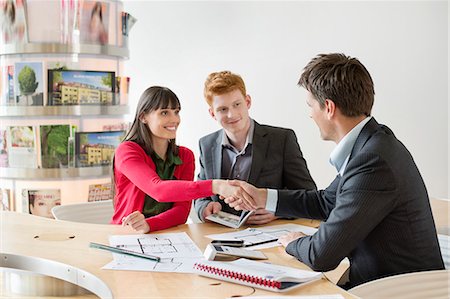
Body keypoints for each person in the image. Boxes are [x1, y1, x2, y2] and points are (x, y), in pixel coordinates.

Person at [225, 53, 444, 288]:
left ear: (328, 107)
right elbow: (327, 202)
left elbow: (322, 255)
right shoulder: (373, 143)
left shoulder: (373, 162)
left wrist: (294, 242)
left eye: (310, 105)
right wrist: (261, 197)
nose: (310, 114)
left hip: (398, 291)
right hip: (383, 282)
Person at [111, 86, 244, 233]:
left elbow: (181, 212)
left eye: (176, 112)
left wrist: (150, 224)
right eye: (164, 112)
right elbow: (157, 189)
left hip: (165, 234)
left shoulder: (185, 156)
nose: (174, 119)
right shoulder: (127, 151)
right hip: (126, 234)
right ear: (143, 117)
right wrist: (216, 186)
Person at [194, 71, 316, 225]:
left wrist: (277, 210)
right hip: (221, 234)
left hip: (269, 234)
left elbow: (308, 194)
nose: (231, 114)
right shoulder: (206, 144)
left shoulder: (281, 139)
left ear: (248, 102)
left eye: (237, 104)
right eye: (222, 109)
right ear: (212, 113)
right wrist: (205, 208)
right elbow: (200, 195)